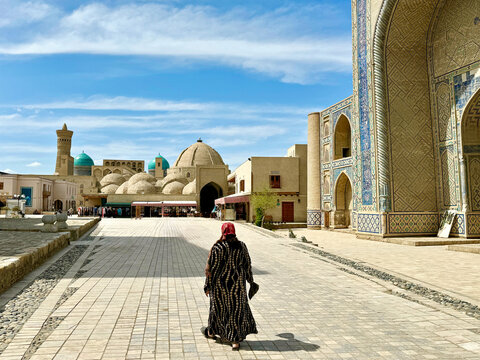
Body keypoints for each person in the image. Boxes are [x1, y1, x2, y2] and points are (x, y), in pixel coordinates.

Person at [203, 222, 257, 350]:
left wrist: (207, 286)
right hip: (237, 286)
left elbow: (211, 270)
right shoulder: (242, 246)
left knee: (218, 309)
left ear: (223, 232)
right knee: (236, 311)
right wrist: (250, 281)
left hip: (220, 286)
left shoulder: (217, 248)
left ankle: (211, 332)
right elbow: (247, 265)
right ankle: (235, 341)